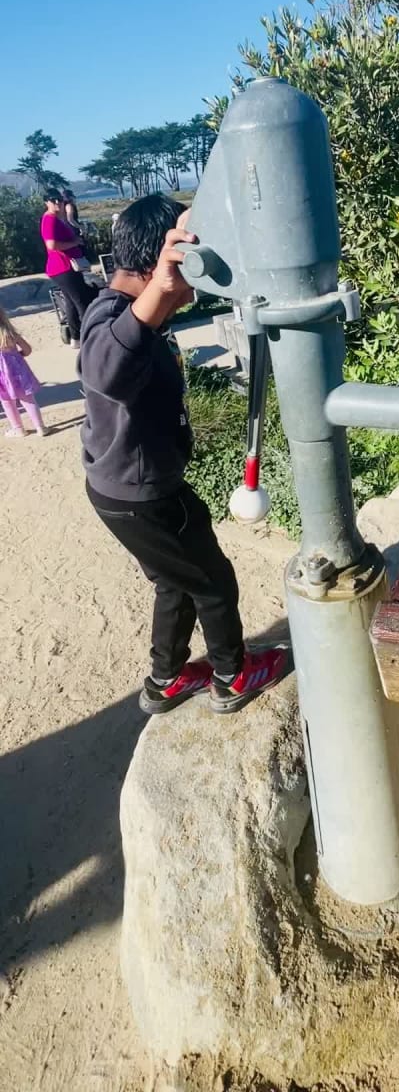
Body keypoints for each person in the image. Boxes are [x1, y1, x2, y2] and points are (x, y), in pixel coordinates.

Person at [79, 193, 289, 716]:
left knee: (175, 580)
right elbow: (104, 370)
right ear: (159, 263)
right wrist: (159, 295)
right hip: (144, 497)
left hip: (126, 489)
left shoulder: (132, 313)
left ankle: (166, 678)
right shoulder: (113, 317)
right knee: (213, 581)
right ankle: (232, 674)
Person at [40, 190, 98, 348]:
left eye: (59, 199)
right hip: (62, 267)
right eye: (53, 200)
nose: (57, 202)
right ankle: (91, 337)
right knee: (82, 300)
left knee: (71, 303)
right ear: (47, 202)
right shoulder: (49, 220)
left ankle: (76, 337)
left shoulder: (57, 218)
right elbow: (51, 245)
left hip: (65, 266)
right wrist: (75, 243)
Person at [0, 306, 46, 437]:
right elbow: (28, 350)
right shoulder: (11, 334)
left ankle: (18, 429)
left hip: (1, 378)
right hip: (18, 373)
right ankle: (40, 427)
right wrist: (17, 355)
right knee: (28, 399)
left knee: (7, 402)